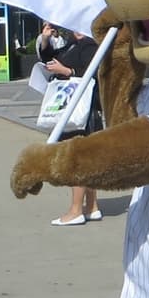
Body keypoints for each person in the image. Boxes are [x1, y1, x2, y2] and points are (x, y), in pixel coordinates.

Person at [46, 29, 104, 226]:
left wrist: (66, 71)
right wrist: (45, 40)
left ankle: (76, 210)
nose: (76, 30)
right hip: (79, 109)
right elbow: (52, 57)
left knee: (76, 160)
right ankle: (91, 206)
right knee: (86, 159)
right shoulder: (73, 44)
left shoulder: (90, 46)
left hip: (82, 110)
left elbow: (92, 73)